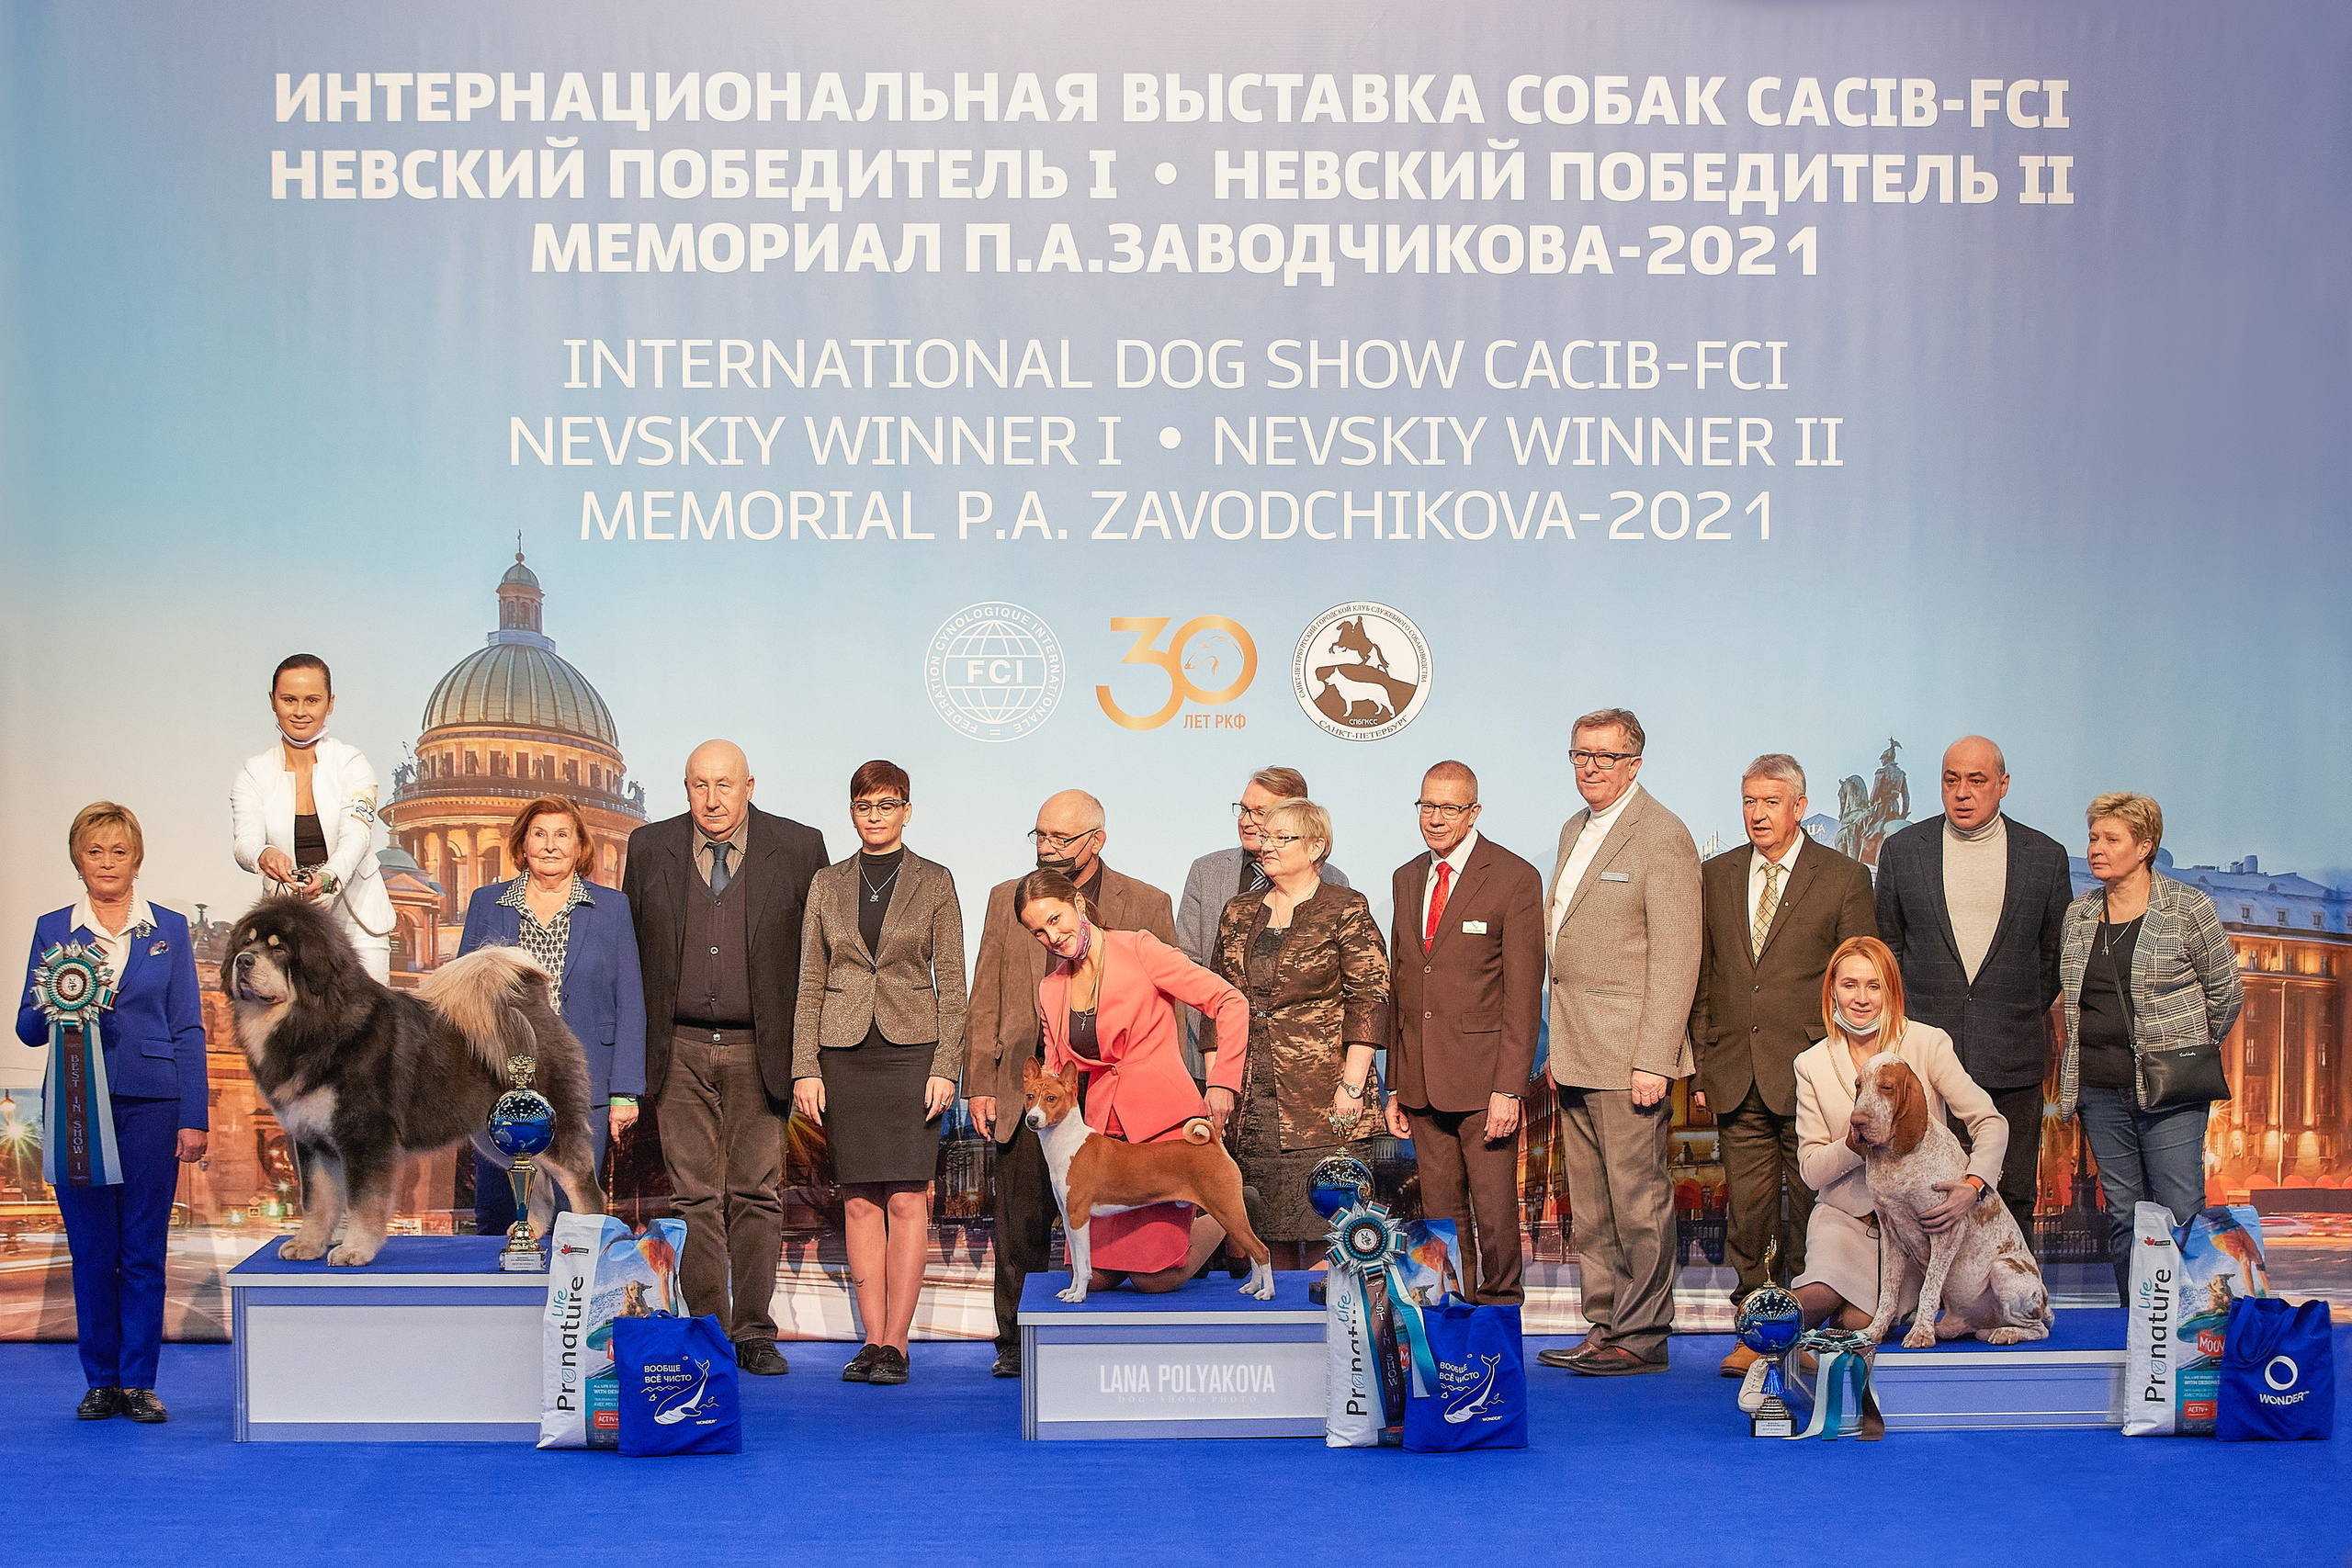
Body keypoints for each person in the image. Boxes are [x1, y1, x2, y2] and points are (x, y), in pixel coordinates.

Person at [622, 740, 827, 1378]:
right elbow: (634, 961)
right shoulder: (648, 846)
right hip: (678, 1045)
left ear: (750, 786)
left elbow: (819, 961)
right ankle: (710, 1330)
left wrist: (806, 1058)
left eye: (725, 785)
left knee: (756, 1193)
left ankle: (755, 1333)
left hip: (758, 1047)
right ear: (684, 788)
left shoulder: (798, 848)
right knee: (693, 1198)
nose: (712, 799)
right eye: (699, 785)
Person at [965, 789, 1177, 1377]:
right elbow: (984, 996)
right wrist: (980, 1081)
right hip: (1024, 1090)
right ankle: (1015, 1347)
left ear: (1096, 841)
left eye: (1062, 838)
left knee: (1114, 1231)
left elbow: (1173, 1010)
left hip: (1113, 1098)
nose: (1049, 849)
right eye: (1041, 837)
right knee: (1022, 1223)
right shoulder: (1004, 900)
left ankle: (1094, 1346)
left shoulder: (1146, 904)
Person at [16, 804, 208, 1423]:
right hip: (76, 1105)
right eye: (94, 851)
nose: (106, 862)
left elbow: (187, 1025)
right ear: (78, 858)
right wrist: (56, 1002)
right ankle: (99, 1379)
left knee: (145, 1249)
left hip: (154, 1104)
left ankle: (139, 1381)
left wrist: (193, 1113)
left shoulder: (168, 928)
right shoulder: (53, 928)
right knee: (93, 1249)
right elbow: (26, 1028)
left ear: (136, 858)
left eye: (118, 851)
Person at [1689, 754, 1877, 1375]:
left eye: (1771, 801)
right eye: (1749, 800)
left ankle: (1809, 1322)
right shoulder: (1715, 875)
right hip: (1736, 1069)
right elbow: (1705, 974)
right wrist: (1702, 1052)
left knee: (1817, 1208)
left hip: (1816, 1078)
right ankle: (1758, 1324)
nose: (1757, 813)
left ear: (1799, 805)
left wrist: (1854, 1068)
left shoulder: (1845, 877)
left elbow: (1859, 981)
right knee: (1749, 1209)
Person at [791, 761, 967, 1386]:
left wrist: (947, 1067)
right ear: (851, 811)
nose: (876, 814)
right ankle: (870, 1340)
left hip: (913, 1052)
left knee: (905, 1197)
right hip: (843, 1053)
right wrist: (804, 1067)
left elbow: (954, 983)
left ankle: (897, 1342)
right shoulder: (825, 883)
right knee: (860, 1200)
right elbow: (811, 979)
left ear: (908, 810)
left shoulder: (936, 881)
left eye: (888, 803)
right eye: (865, 804)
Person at [1537, 708, 1702, 1376]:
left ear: (1635, 763)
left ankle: (1643, 1333)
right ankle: (1604, 1324)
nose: (1590, 767)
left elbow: (1677, 957)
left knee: (1638, 1201)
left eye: (1605, 757)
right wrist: (1557, 1043)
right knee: (1594, 1208)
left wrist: (1653, 1059)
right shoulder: (1573, 828)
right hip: (1576, 1049)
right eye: (1580, 754)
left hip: (1630, 1055)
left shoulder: (1662, 835)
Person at [1874, 736, 2074, 1242]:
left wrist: (2015, 1009)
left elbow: (2054, 956)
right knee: (1922, 1193)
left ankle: (2012, 1311)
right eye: (1951, 780)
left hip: (2013, 1058)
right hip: (1926, 1066)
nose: (1962, 792)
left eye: (1977, 780)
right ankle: (1931, 1313)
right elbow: (1889, 947)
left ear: (2003, 785)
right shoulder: (1901, 851)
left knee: (2012, 1195)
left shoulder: (2045, 857)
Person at [1020, 867, 1253, 1293]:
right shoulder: (1050, 989)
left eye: (1054, 920)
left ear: (1076, 903)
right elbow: (1055, 1073)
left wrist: (1223, 1081)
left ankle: (1221, 1218)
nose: (1050, 936)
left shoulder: (1140, 948)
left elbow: (1229, 1000)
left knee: (1154, 1279)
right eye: (1037, 931)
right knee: (1101, 1280)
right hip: (1103, 1137)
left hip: (1164, 1128)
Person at [2057, 793, 2242, 1304]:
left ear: (2145, 846)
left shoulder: (2187, 908)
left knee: (2182, 1209)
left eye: (2111, 839)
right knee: (2124, 1215)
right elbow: (2073, 1003)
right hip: (2099, 1089)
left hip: (2172, 1091)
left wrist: (2189, 1051)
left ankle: (2197, 1332)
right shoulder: (2078, 916)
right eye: (2093, 837)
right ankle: (2138, 1330)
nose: (2096, 848)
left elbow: (2227, 992)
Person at [1381, 761, 1544, 1305]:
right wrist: (1395, 1085)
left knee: (1495, 1214)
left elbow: (1523, 997)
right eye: (1427, 805)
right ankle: (1446, 1322)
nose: (1435, 817)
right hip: (1422, 1083)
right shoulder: (1406, 878)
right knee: (1437, 1218)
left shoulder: (1515, 878)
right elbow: (1402, 987)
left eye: (1449, 807)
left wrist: (1510, 1088)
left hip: (1485, 1084)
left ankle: (1498, 1324)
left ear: (1474, 812)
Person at [1788, 937, 2007, 1337]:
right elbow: (1810, 1171)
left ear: (1891, 989)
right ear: (1832, 989)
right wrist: (1857, 1142)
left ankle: (1812, 1350)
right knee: (1820, 1290)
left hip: (1916, 1233)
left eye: (1875, 985)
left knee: (1862, 1322)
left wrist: (1973, 1186)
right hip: (1844, 1218)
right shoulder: (1811, 1063)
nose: (1861, 998)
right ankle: (1759, 1347)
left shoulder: (1927, 1043)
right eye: (1849, 984)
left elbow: (1991, 1122)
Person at [1209, 797, 1391, 1271]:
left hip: (1328, 1102)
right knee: (1268, 1242)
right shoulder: (1237, 911)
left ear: (1316, 846)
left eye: (1280, 838)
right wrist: (1218, 1084)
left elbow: (1370, 998)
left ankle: (1337, 1342)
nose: (1265, 846)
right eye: (1263, 837)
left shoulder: (1346, 907)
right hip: (1254, 1105)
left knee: (1338, 1240)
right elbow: (1217, 1002)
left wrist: (1352, 1087)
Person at [458, 795, 646, 1237]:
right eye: (539, 834)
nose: (550, 845)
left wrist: (625, 1091)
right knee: (503, 1211)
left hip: (583, 1081)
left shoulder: (612, 909)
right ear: (522, 845)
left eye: (563, 835)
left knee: (575, 1206)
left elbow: (630, 1001)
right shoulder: (488, 903)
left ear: (580, 847)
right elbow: (463, 996)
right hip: (499, 1080)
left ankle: (570, 1303)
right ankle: (498, 1302)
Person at [231, 654, 396, 981]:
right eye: (289, 700)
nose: (300, 712)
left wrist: (330, 875)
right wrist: (263, 854)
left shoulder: (352, 762)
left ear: (330, 703)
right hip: (287, 926)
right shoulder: (253, 772)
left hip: (359, 919)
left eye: (312, 700)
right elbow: (244, 842)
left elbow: (357, 835)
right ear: (272, 701)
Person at [1176, 767, 1350, 1075]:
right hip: (1213, 1057)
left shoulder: (1335, 883)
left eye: (1259, 812)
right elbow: (1188, 966)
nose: (1245, 820)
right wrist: (1219, 1037)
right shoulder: (1207, 872)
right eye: (1243, 809)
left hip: (1299, 1066)